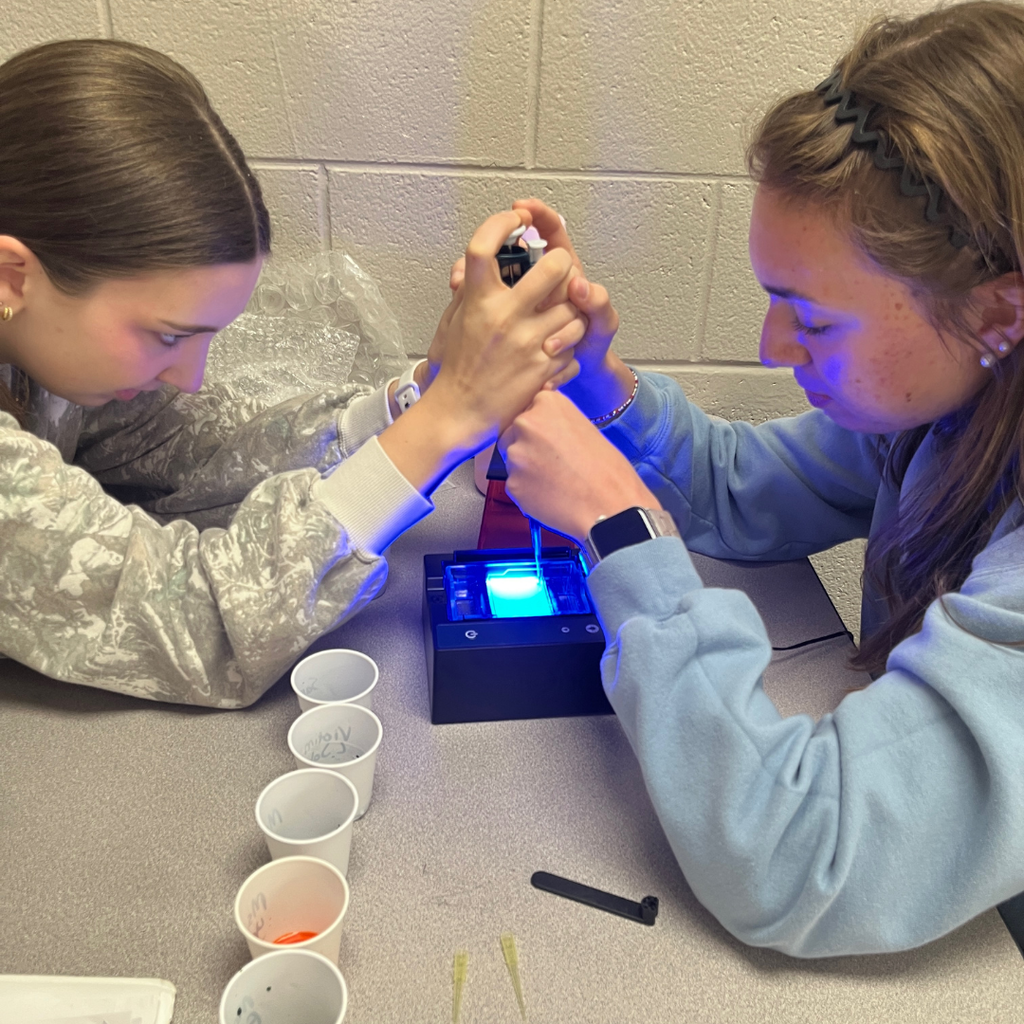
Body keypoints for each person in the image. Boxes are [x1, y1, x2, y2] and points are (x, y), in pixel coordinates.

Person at [497, 1, 1024, 957]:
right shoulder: (951, 408)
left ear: (997, 312)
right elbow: (740, 489)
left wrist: (621, 531)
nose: (770, 347)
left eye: (812, 320)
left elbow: (797, 857)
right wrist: (603, 388)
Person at [0, 39, 585, 708]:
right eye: (166, 336)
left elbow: (174, 448)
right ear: (13, 274)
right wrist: (447, 423)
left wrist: (417, 396)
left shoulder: (32, 342)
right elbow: (201, 625)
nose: (187, 379)